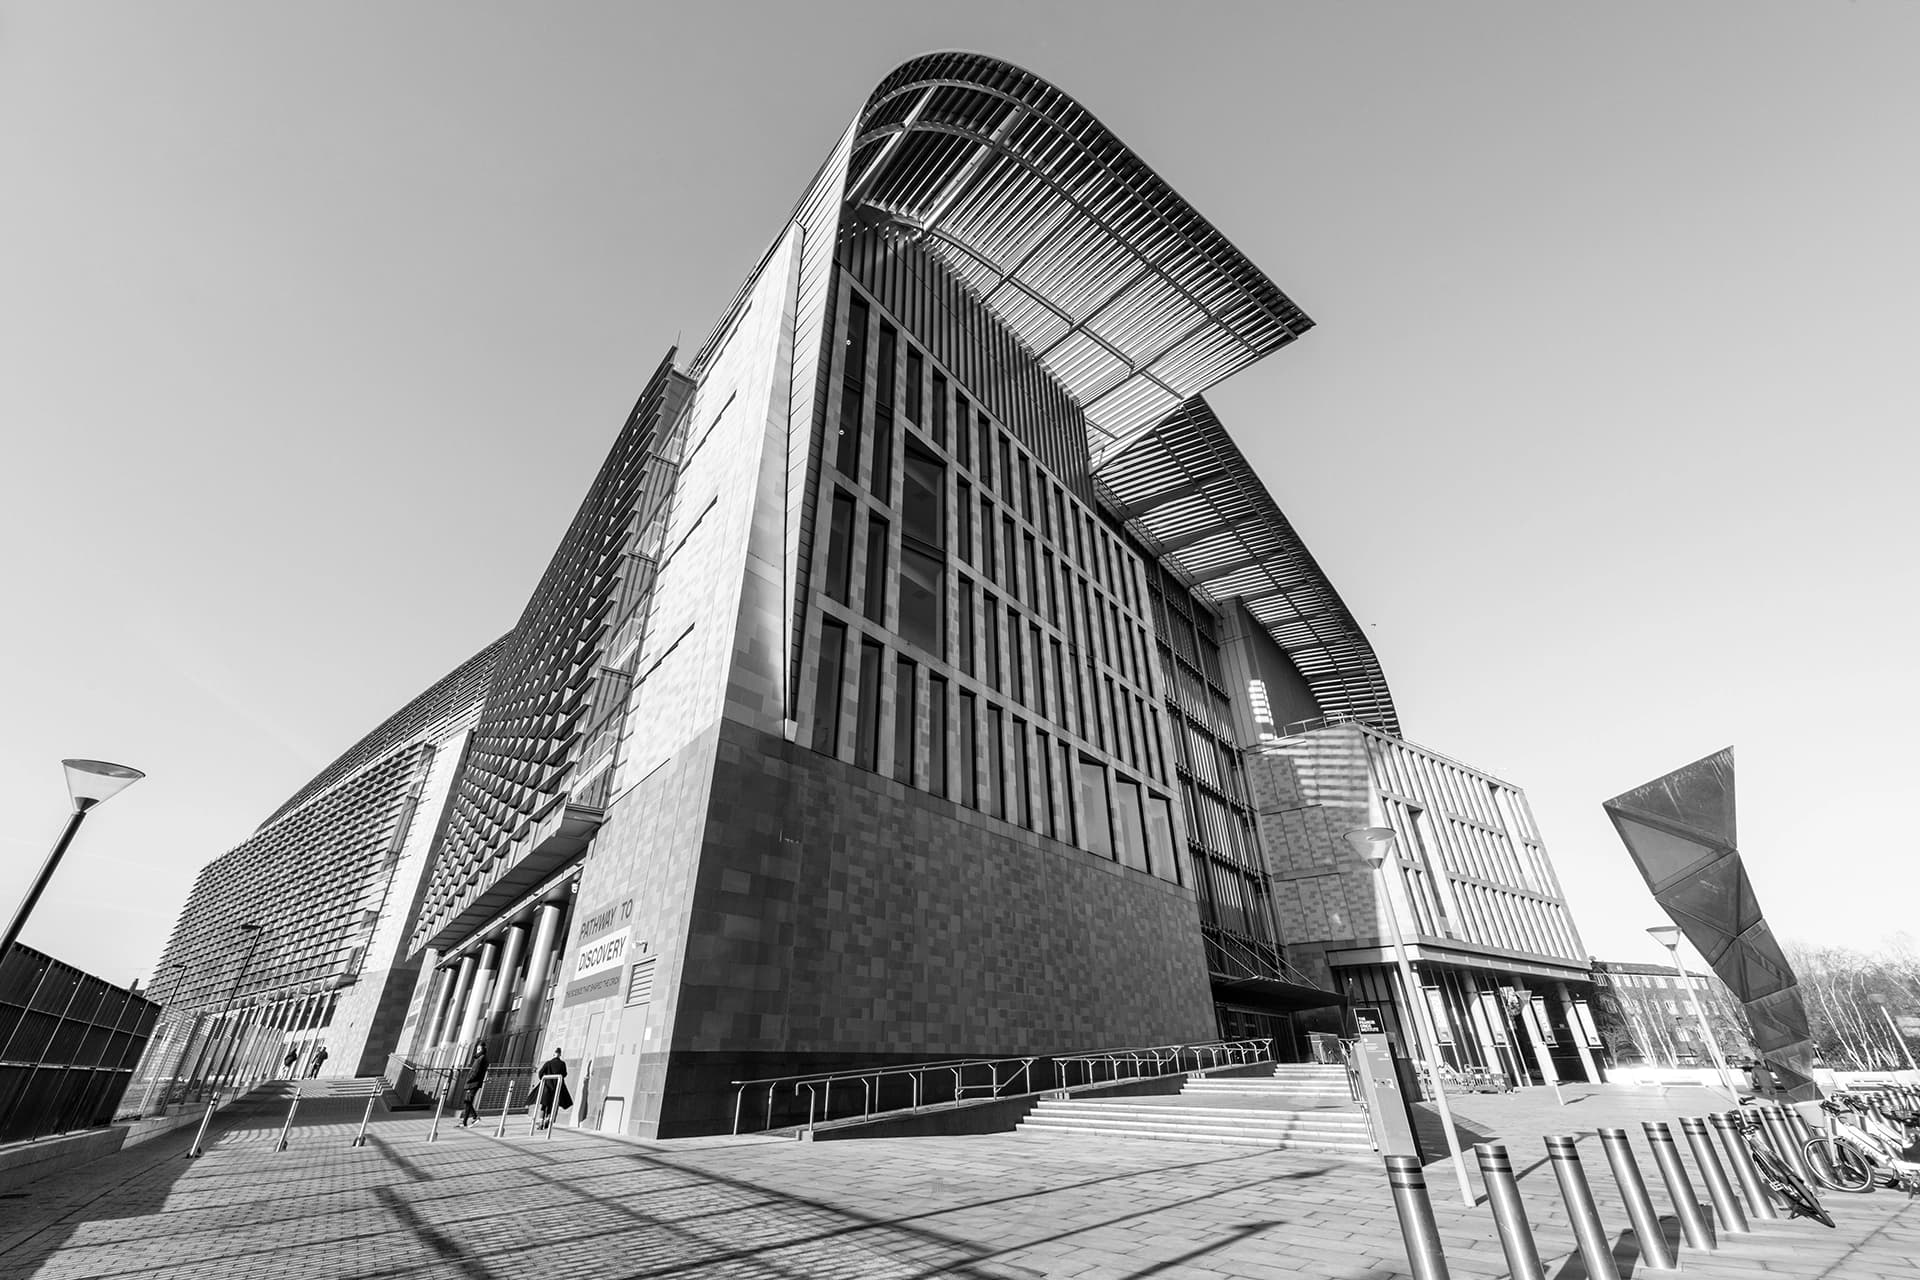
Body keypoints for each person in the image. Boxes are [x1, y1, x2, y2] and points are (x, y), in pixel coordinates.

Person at [532, 1047, 572, 1130]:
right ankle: (548, 1120)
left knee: (544, 1105)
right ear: (560, 1054)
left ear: (553, 1054)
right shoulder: (562, 1064)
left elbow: (540, 1073)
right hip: (556, 1088)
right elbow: (564, 1074)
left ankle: (541, 1122)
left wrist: (545, 1079)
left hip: (547, 1087)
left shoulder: (548, 1063)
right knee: (552, 1105)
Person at [457, 1044, 489, 1127]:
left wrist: (469, 1079)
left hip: (473, 1082)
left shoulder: (481, 1058)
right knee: (468, 1101)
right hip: (474, 1082)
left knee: (468, 1101)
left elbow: (475, 1071)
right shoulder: (480, 1058)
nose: (477, 1051)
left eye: (479, 1049)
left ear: (482, 1050)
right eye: (477, 1049)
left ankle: (474, 1118)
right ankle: (466, 1121)